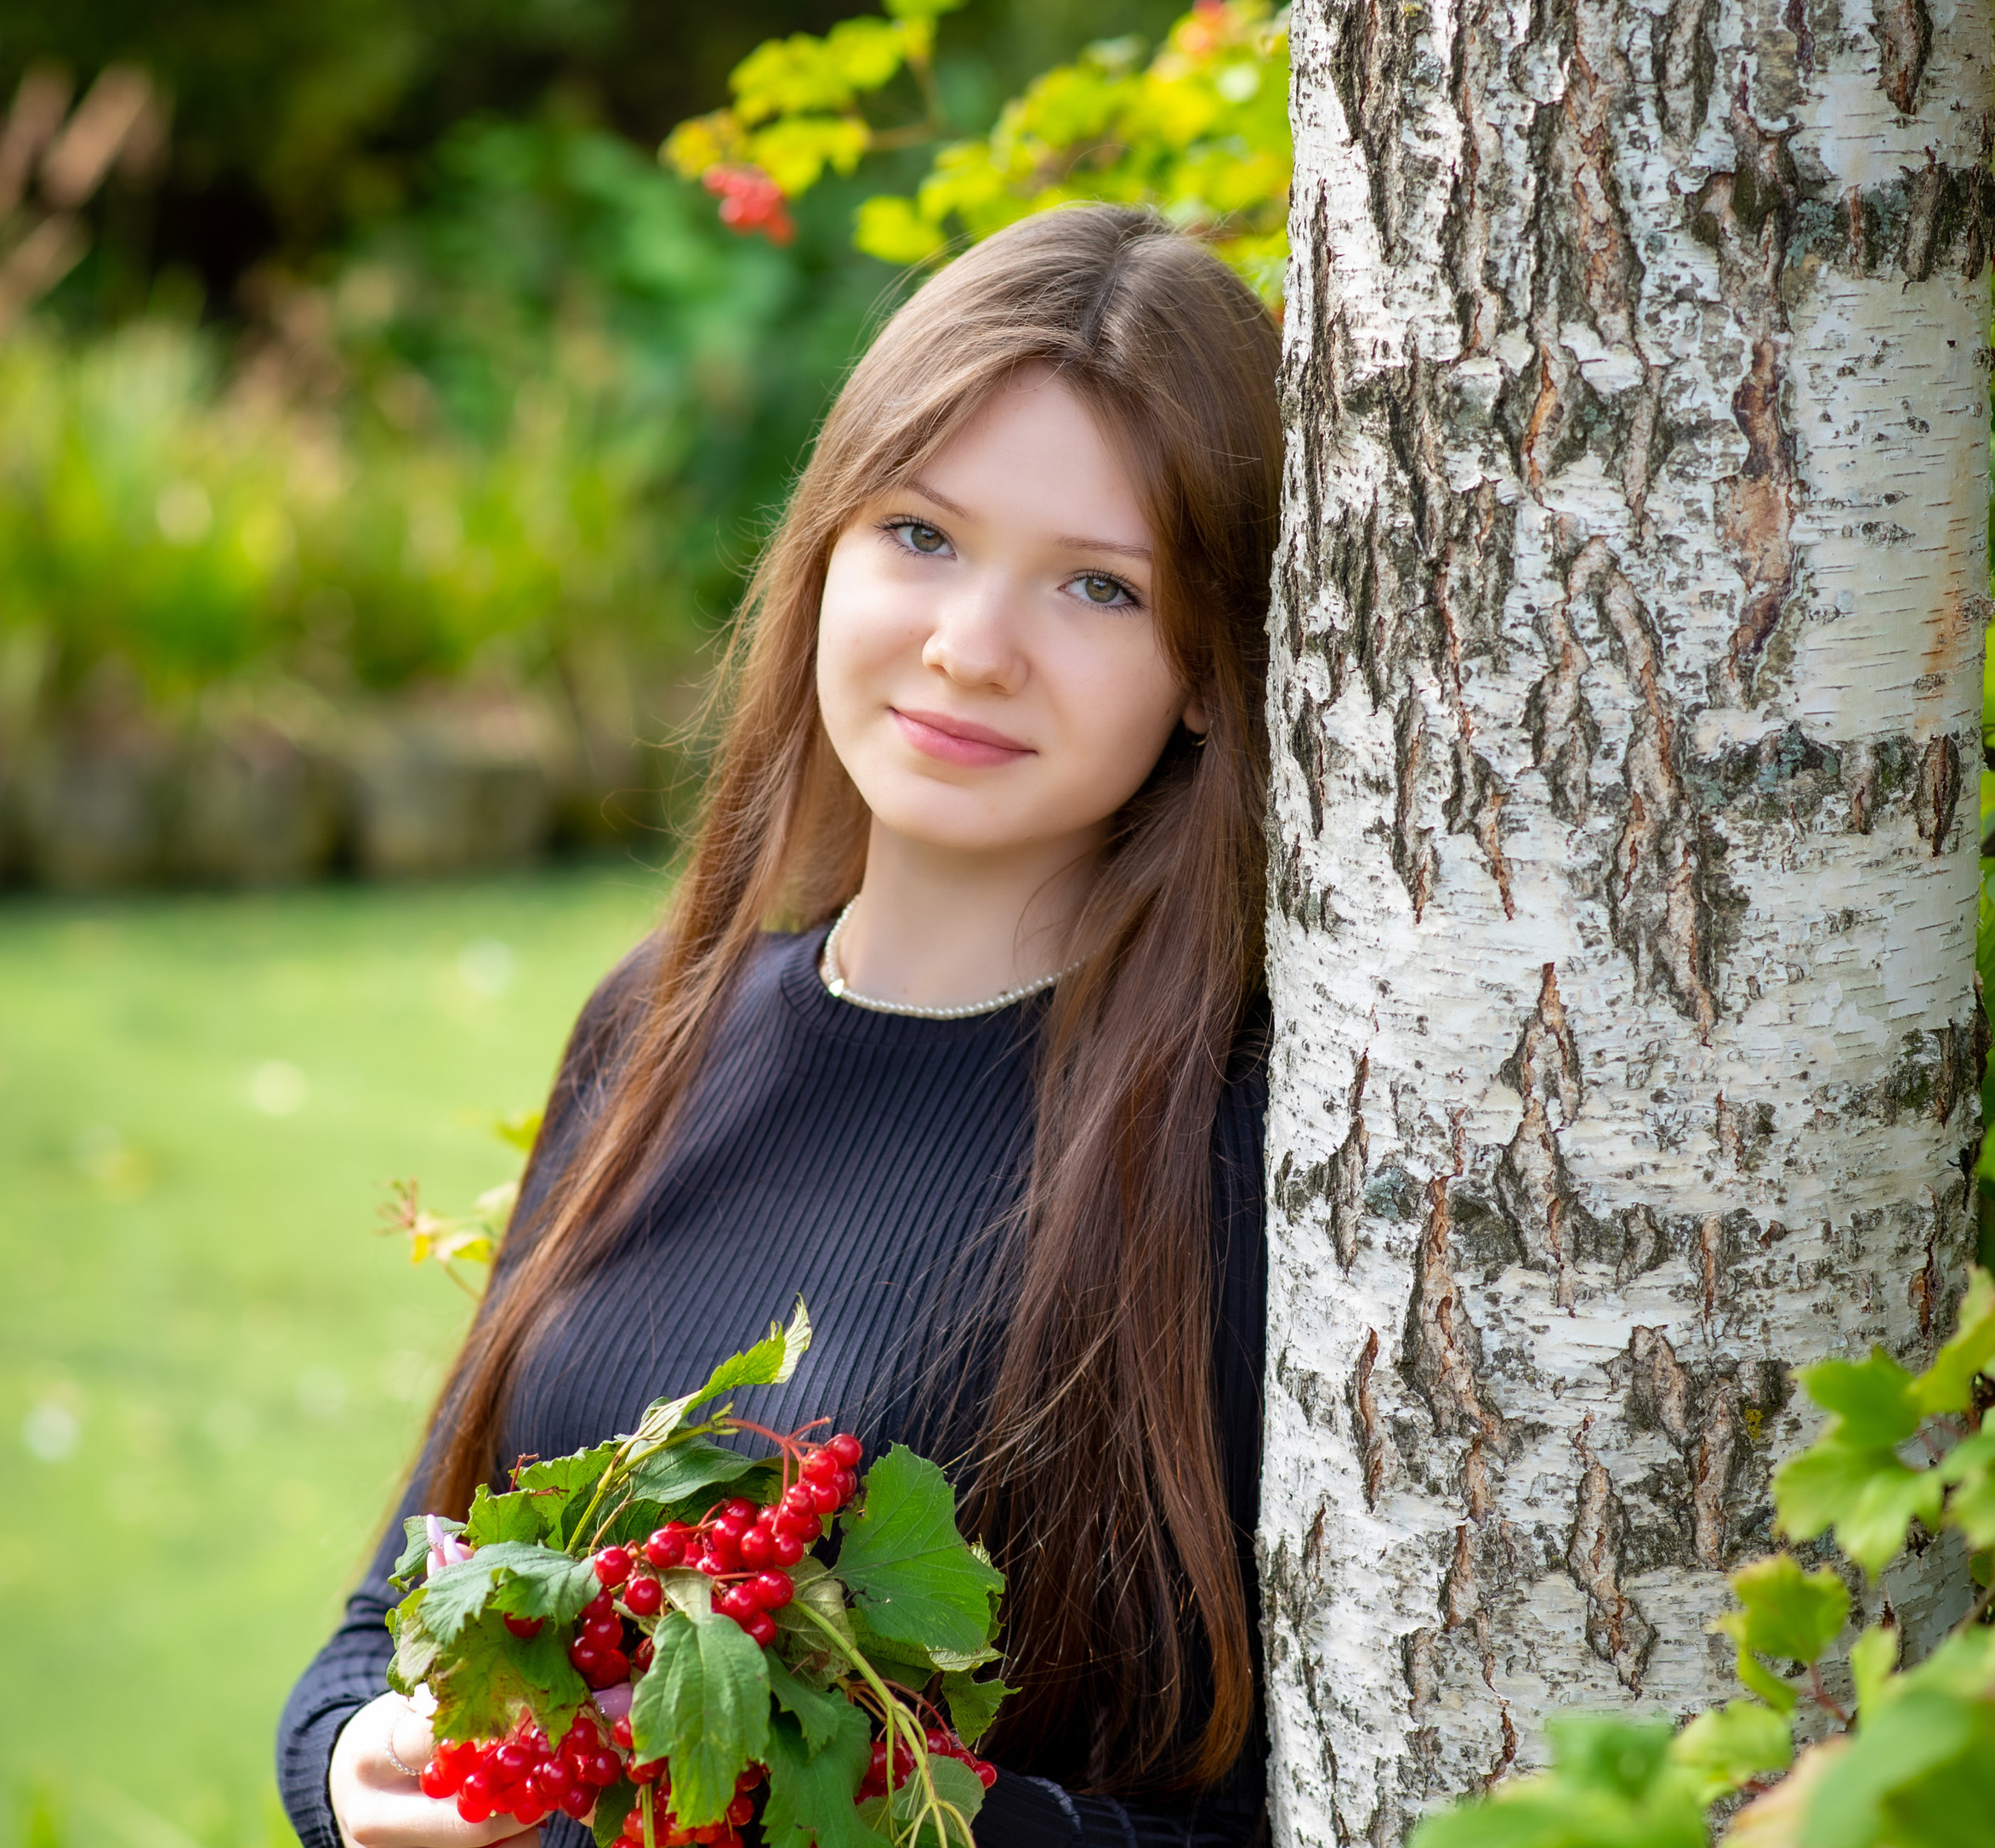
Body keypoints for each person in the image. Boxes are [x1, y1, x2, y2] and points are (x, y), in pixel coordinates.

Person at [277, 202, 1282, 1848]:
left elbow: (1264, 1821)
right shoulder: (654, 1027)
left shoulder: (1229, 1148)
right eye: (925, 536)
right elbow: (386, 1627)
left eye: (1098, 587)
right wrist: (357, 1771)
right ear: (828, 541)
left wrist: (797, 1801)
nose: (971, 650)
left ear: (1203, 667)